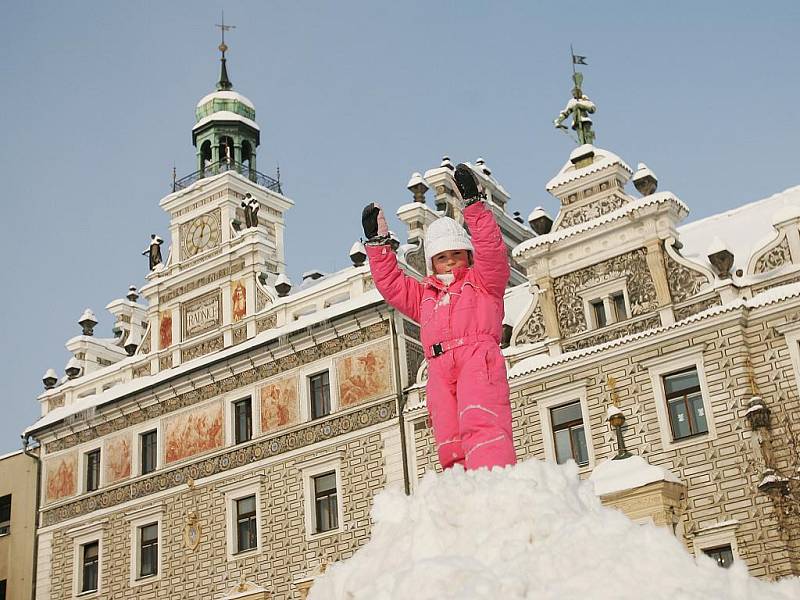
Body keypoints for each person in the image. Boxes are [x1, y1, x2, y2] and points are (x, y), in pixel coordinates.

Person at [362, 164, 516, 471]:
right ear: (433, 263)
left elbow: (492, 251)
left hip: (476, 357)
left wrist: (473, 206)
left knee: (481, 419)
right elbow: (392, 285)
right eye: (442, 257)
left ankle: (494, 480)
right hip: (439, 369)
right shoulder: (425, 295)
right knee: (448, 433)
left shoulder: (484, 282)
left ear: (468, 256)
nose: (450, 262)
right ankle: (458, 487)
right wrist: (378, 246)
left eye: (457, 254)